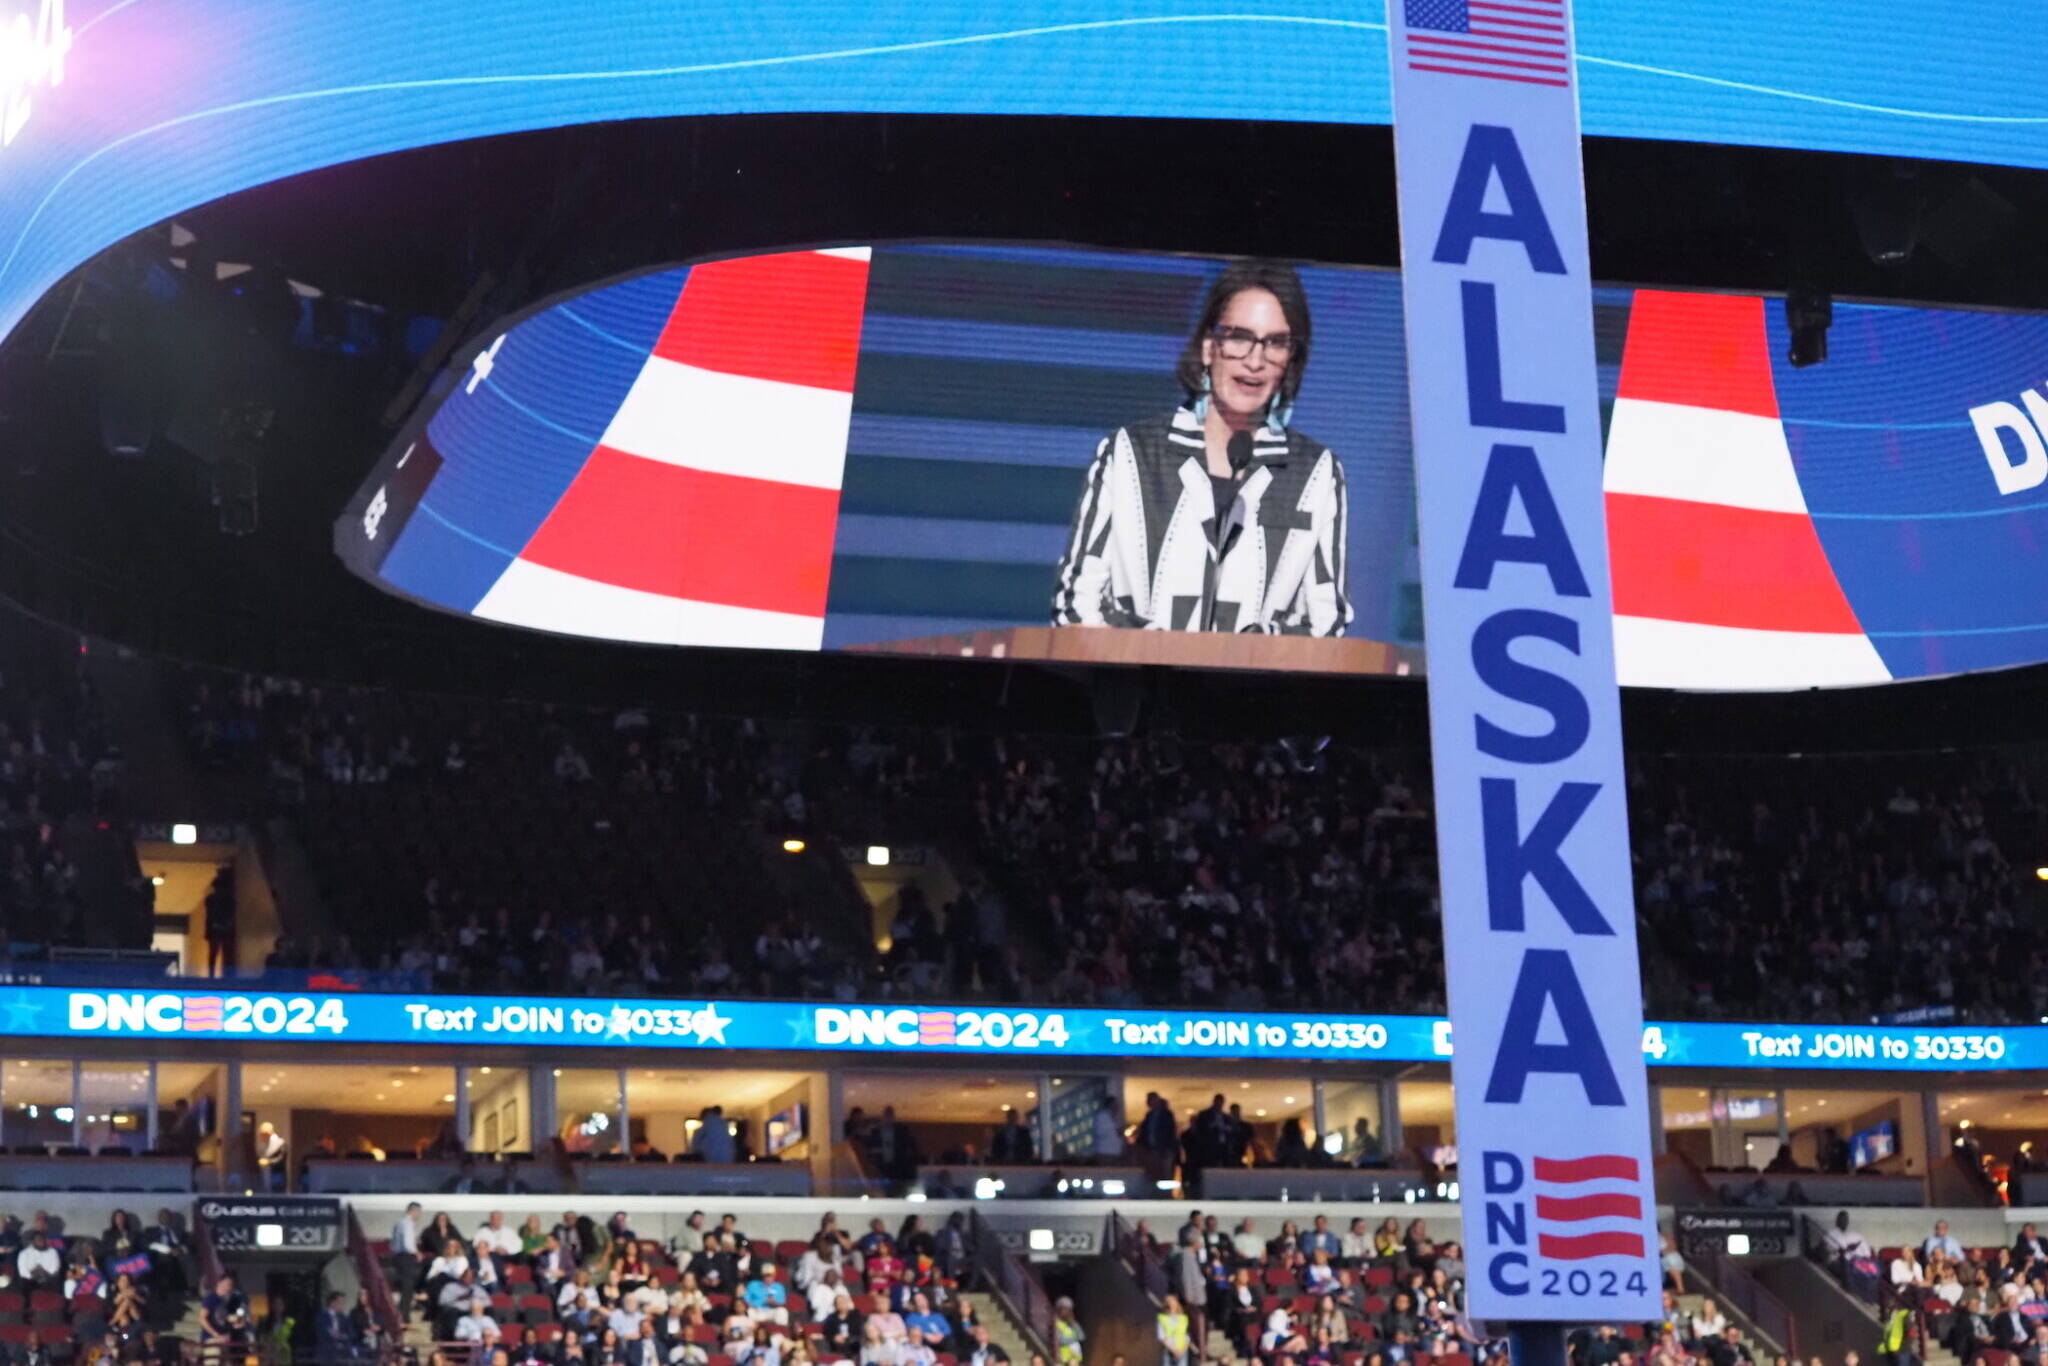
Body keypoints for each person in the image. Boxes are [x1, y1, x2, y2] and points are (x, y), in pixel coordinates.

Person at [1052, 258, 1351, 638]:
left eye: (1275, 343)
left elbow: (1327, 622)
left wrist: (1248, 655)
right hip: (1139, 690)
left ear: (1290, 359)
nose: (1255, 360)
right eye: (1239, 337)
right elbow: (1074, 605)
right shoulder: (1130, 453)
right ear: (1209, 347)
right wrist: (1161, 655)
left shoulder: (1317, 473)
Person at [390, 1202, 424, 1321]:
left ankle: (401, 1313)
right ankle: (404, 1316)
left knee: (405, 1287)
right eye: (419, 1212)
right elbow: (408, 1244)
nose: (419, 1215)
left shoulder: (399, 1223)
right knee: (407, 1288)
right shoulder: (408, 1224)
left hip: (398, 1257)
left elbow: (393, 1244)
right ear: (413, 1211)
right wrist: (417, 1253)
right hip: (406, 1257)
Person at [1158, 1294, 1193, 1366]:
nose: (1171, 1307)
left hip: (1181, 1350)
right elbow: (1161, 1337)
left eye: (1172, 1304)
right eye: (1169, 1304)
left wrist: (1182, 1349)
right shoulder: (1162, 1319)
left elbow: (1187, 1336)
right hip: (1169, 1351)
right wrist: (1174, 1350)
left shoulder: (1184, 1319)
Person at [254, 1120, 288, 1191]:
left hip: (276, 1175)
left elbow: (281, 1158)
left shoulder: (280, 1143)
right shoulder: (263, 1146)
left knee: (277, 1194)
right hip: (264, 1175)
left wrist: (268, 1162)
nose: (261, 1137)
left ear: (268, 1133)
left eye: (262, 1135)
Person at [1053, 1298, 1085, 1366]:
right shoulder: (1057, 1324)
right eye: (1064, 1309)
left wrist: (1073, 1323)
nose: (1066, 1312)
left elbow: (1082, 1337)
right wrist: (1075, 1338)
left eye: (1068, 1309)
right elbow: (1061, 1341)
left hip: (1076, 1357)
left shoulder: (1073, 1323)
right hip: (1064, 1358)